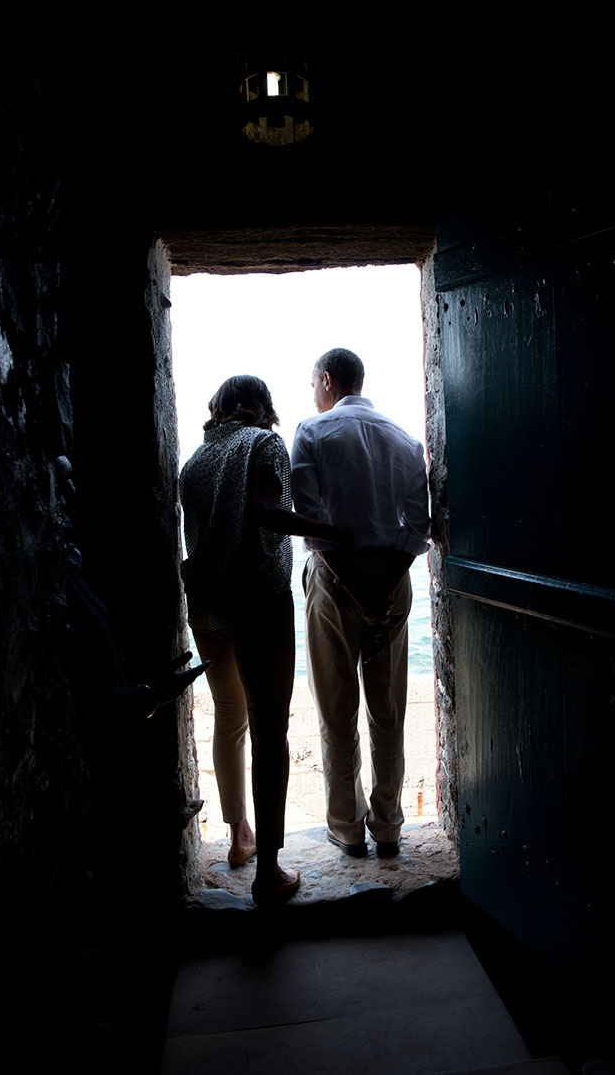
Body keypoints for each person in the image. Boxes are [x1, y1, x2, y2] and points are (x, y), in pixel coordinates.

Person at [179, 375, 346, 905]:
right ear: (261, 407)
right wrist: (338, 531)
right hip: (257, 601)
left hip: (206, 607)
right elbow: (268, 510)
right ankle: (268, 874)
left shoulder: (195, 462)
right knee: (270, 731)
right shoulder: (265, 443)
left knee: (230, 718)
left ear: (217, 408)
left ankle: (239, 838)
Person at [290, 348, 430, 858]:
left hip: (334, 578)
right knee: (387, 707)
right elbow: (418, 529)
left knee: (336, 706)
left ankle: (347, 828)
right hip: (390, 579)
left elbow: (311, 526)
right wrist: (384, 587)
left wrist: (353, 588)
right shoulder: (404, 439)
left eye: (313, 385)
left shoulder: (311, 432)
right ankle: (389, 825)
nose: (314, 395)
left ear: (326, 380)